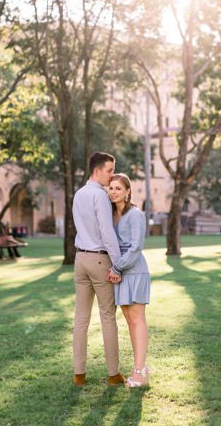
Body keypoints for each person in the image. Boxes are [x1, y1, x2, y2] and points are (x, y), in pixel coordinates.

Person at [72, 151, 125, 386]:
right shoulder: (100, 196)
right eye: (110, 170)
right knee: (107, 317)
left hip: (80, 259)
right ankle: (114, 374)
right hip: (100, 260)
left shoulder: (79, 194)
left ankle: (79, 375)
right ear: (97, 170)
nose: (112, 175)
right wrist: (119, 264)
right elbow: (107, 233)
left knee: (81, 319)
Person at [107, 173, 152, 388]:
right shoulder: (111, 214)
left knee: (137, 320)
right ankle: (141, 367)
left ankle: (139, 371)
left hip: (134, 271)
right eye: (111, 188)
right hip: (121, 273)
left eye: (118, 188)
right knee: (129, 321)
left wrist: (116, 267)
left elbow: (136, 248)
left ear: (128, 191)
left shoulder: (135, 215)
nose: (113, 191)